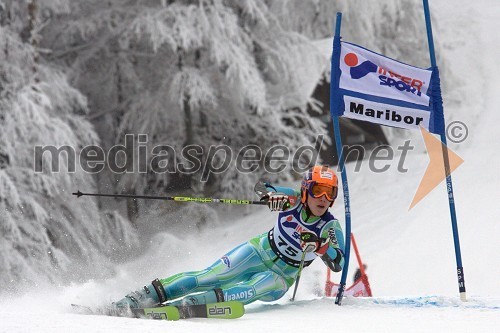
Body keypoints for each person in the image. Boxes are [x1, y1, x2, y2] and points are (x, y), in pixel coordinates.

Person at [112, 165, 345, 309]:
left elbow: (339, 262)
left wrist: (321, 247)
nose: (323, 197)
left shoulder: (330, 226)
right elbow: (261, 188)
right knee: (209, 277)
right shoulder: (293, 199)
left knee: (250, 289)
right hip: (258, 250)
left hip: (281, 275)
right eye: (317, 190)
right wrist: (272, 195)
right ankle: (141, 297)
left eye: (329, 192)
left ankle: (188, 306)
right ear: (306, 189)